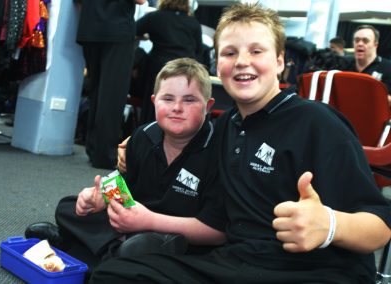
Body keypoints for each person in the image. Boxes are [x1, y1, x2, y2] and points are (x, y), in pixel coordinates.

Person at [89, 3, 391, 283]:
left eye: (256, 51)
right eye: (230, 53)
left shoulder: (318, 122)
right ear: (217, 64)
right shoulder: (227, 126)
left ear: (280, 61)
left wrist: (330, 225)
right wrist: (139, 139)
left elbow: (380, 226)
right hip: (237, 260)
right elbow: (183, 130)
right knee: (114, 275)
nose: (242, 61)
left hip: (316, 270)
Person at [25, 58, 226, 275]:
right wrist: (101, 195)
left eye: (189, 100)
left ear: (208, 107)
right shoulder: (143, 136)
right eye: (167, 98)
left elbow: (218, 233)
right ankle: (115, 258)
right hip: (131, 225)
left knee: (150, 246)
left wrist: (149, 221)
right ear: (154, 101)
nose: (177, 108)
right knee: (68, 207)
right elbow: (122, 185)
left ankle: (81, 250)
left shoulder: (218, 152)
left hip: (176, 234)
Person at [76, 0, 146, 169]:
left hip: (90, 27)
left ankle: (93, 149)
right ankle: (104, 155)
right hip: (117, 29)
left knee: (96, 91)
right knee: (112, 96)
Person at [135, 0, 204, 124]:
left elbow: (132, 30)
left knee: (155, 107)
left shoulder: (155, 17)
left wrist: (144, 37)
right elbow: (199, 50)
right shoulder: (193, 23)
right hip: (186, 71)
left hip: (159, 69)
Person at [345, 24, 391, 105]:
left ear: (375, 45)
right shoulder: (344, 66)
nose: (360, 44)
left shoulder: (388, 68)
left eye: (365, 41)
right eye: (356, 40)